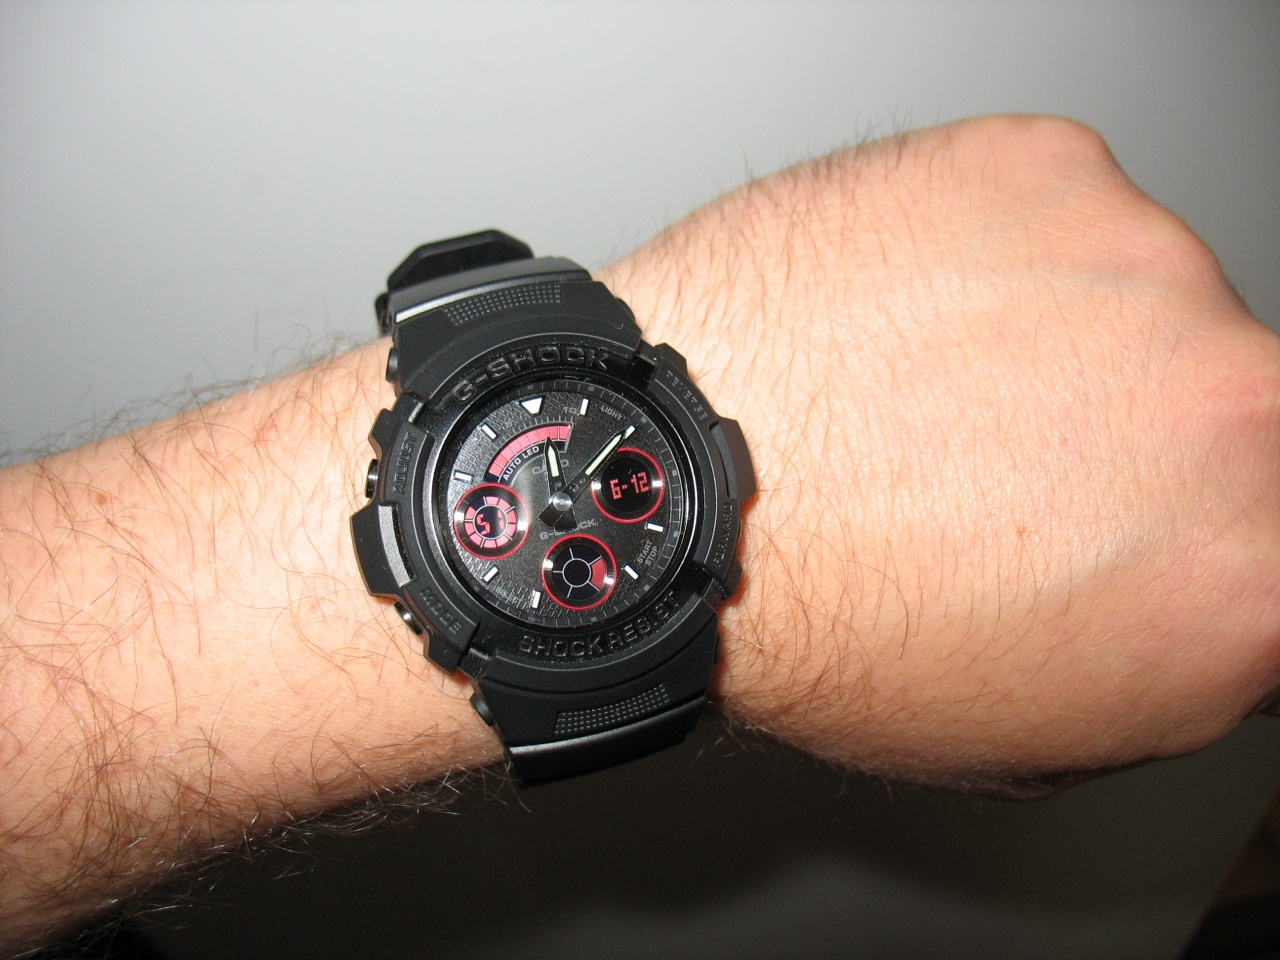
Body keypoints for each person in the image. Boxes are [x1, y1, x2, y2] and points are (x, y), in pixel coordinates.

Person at [2, 115, 1277, 955]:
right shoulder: (427, 560)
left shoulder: (674, 466)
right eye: (493, 517)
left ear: (718, 462)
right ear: (393, 547)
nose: (556, 512)